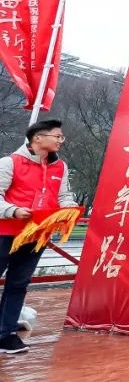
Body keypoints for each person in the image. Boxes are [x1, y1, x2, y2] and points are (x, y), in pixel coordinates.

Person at [0, 119, 75, 355]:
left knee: (18, 284)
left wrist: (70, 209)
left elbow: (64, 196)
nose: (61, 141)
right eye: (57, 136)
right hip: (6, 233)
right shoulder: (10, 163)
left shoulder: (60, 167)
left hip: (37, 235)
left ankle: (6, 335)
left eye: (61, 137)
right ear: (37, 138)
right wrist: (13, 211)